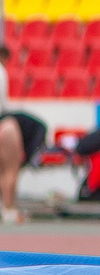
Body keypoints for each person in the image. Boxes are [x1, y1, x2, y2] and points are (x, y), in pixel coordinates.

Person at [0, 45, 45, 223]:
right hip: (5, 125)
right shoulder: (1, 71)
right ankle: (10, 208)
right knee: (11, 169)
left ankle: (6, 208)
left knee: (2, 170)